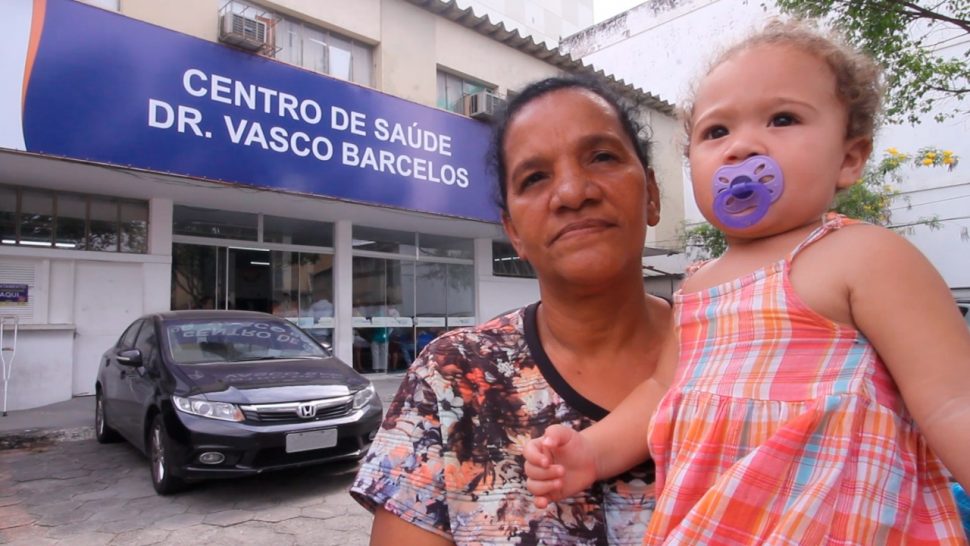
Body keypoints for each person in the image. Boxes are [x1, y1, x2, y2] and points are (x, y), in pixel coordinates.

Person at [523, 19, 970, 544]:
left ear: (849, 158)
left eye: (782, 119)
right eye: (716, 132)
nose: (741, 148)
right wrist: (591, 452)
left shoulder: (865, 257)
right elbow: (662, 391)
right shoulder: (696, 290)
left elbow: (952, 403)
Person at [349, 76, 674, 545]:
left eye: (602, 157)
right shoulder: (454, 377)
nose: (572, 193)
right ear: (514, 233)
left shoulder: (742, 340)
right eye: (535, 178)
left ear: (652, 195)